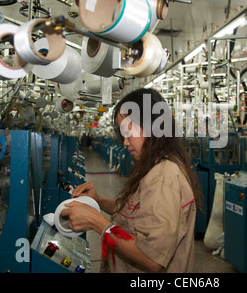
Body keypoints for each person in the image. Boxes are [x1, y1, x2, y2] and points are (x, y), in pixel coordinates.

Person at [61, 88, 203, 273]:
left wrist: (97, 222)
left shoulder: (164, 176)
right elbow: (136, 212)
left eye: (129, 133)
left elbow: (151, 258)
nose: (125, 142)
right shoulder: (152, 167)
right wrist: (99, 201)